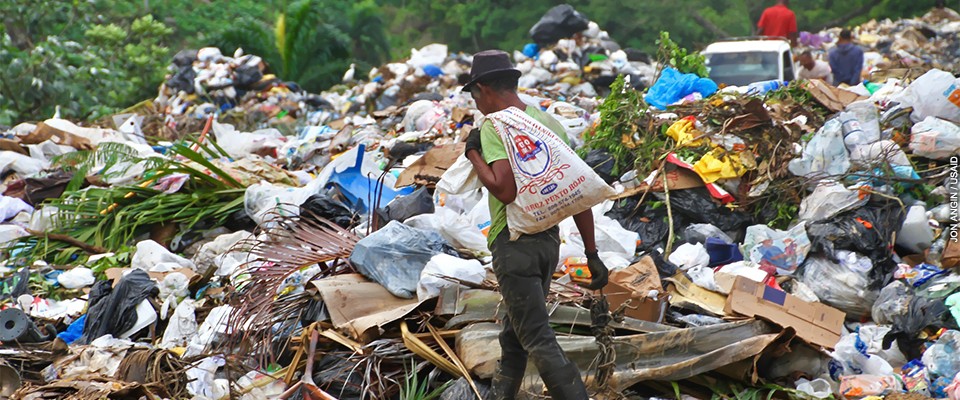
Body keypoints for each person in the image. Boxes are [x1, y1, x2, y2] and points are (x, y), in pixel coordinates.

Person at [463, 49, 607, 400]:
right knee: (515, 337)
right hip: (546, 247)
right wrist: (591, 253)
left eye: (474, 96)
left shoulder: (496, 125)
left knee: (538, 339)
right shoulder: (549, 123)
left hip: (513, 246)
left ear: (484, 88)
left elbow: (504, 189)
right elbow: (576, 192)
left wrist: (473, 153)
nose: (476, 104)